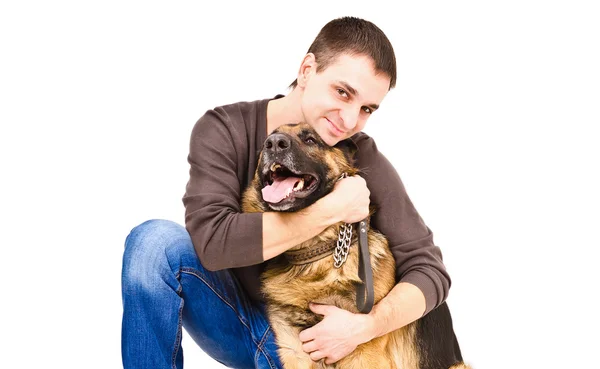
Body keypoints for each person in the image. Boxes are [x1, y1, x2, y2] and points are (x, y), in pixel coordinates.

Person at [121, 16, 451, 369]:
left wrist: (365, 327)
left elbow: (430, 269)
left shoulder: (356, 152)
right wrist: (332, 210)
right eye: (343, 92)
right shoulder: (224, 129)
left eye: (367, 109)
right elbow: (213, 243)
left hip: (321, 345)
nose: (350, 120)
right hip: (237, 320)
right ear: (307, 70)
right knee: (153, 244)